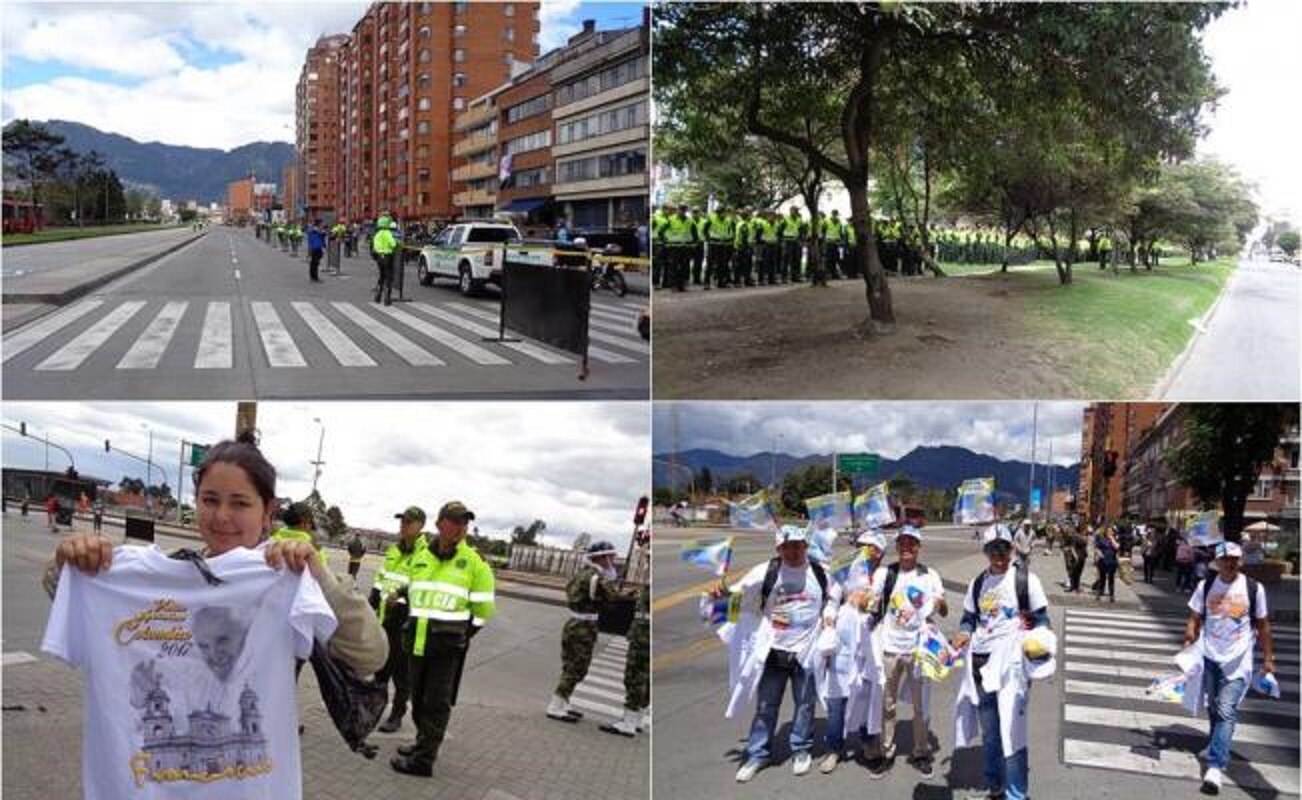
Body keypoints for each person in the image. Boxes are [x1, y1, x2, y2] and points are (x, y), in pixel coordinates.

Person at [43, 434, 388, 797]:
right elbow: (80, 604)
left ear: (267, 511)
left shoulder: (288, 579)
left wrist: (318, 576)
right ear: (196, 502)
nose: (222, 516)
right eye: (210, 500)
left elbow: (371, 655)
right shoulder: (168, 575)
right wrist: (73, 565)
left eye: (239, 503)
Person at [390, 501, 495, 778]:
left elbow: (483, 610)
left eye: (465, 522)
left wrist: (461, 634)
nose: (461, 527)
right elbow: (415, 588)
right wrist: (398, 593)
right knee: (419, 699)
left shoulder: (474, 562)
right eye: (455, 521)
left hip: (446, 647)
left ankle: (424, 761)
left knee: (436, 702)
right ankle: (422, 742)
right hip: (416, 640)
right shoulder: (423, 555)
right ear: (440, 524)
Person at [717, 525, 829, 782]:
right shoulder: (766, 571)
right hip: (773, 652)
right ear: (779, 548)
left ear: (806, 546)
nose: (793, 551)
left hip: (806, 651)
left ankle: (801, 749)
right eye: (787, 546)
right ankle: (758, 753)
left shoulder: (820, 572)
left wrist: (831, 617)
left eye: (798, 545)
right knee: (766, 706)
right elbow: (738, 595)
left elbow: (832, 597)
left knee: (805, 705)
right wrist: (722, 596)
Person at [952, 524, 1052, 800]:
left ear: (1012, 548)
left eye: (1003, 547)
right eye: (992, 548)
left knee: (1013, 732)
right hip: (981, 664)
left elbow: (1042, 620)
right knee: (991, 733)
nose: (998, 554)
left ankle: (1017, 794)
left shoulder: (1025, 581)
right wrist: (963, 632)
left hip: (1013, 668)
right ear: (985, 551)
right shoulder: (978, 583)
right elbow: (969, 618)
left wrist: (1037, 639)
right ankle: (995, 786)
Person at [1182, 542, 1275, 795]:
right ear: (1217, 562)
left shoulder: (1254, 589)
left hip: (1238, 660)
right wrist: (1190, 633)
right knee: (1214, 706)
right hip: (1210, 656)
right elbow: (1194, 616)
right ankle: (1215, 744)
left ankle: (1215, 767)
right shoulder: (1207, 586)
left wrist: (1268, 657)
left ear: (1240, 561)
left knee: (1225, 710)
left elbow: (1263, 624)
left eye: (1234, 559)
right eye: (1225, 559)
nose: (1230, 563)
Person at [865, 526, 947, 779]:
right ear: (897, 546)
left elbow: (942, 611)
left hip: (918, 650)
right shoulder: (885, 573)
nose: (907, 547)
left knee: (921, 706)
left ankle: (921, 752)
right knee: (887, 704)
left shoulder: (929, 575)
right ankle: (886, 751)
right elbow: (871, 602)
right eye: (902, 543)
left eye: (912, 543)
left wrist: (941, 604)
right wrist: (865, 600)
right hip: (890, 647)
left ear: (919, 547)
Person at [817, 529, 885, 773]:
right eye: (861, 546)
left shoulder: (883, 574)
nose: (864, 552)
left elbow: (883, 602)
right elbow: (832, 600)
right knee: (837, 696)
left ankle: (868, 742)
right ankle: (834, 747)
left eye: (869, 548)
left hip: (870, 642)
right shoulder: (844, 570)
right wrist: (829, 620)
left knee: (867, 693)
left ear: (879, 552)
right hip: (844, 643)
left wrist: (867, 601)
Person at [548, 541, 636, 721]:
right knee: (577, 668)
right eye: (610, 556)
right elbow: (612, 599)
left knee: (569, 665)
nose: (612, 560)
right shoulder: (596, 577)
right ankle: (555, 706)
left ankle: (564, 701)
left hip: (573, 623)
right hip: (584, 628)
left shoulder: (583, 573)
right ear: (602, 557)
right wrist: (628, 597)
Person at [367, 507, 428, 736]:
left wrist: (401, 595)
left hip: (407, 620)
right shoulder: (394, 550)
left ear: (420, 525)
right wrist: (372, 601)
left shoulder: (426, 554)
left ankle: (397, 715)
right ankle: (374, 708)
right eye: (402, 521)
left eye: (408, 522)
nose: (403, 525)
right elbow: (381, 577)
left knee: (402, 673)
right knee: (381, 666)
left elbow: (423, 585)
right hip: (386, 618)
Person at [601, 583, 650, 738]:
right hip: (644, 638)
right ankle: (637, 719)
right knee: (644, 679)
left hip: (642, 640)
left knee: (634, 678)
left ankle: (628, 723)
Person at [371, 215, 399, 306]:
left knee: (381, 276)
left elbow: (374, 246)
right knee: (389, 277)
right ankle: (387, 298)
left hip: (379, 257)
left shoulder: (377, 234)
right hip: (388, 256)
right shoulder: (388, 233)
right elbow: (393, 244)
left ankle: (377, 296)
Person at [1094, 526, 1119, 602]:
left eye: (1111, 531)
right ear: (1105, 532)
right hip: (1103, 561)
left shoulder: (1115, 540)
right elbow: (1096, 548)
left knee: (1111, 579)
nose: (1109, 533)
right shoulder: (1102, 540)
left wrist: (1112, 539)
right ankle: (1100, 593)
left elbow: (1117, 547)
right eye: (1108, 531)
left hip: (1112, 562)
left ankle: (1111, 595)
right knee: (1102, 578)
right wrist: (1099, 553)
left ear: (1113, 533)